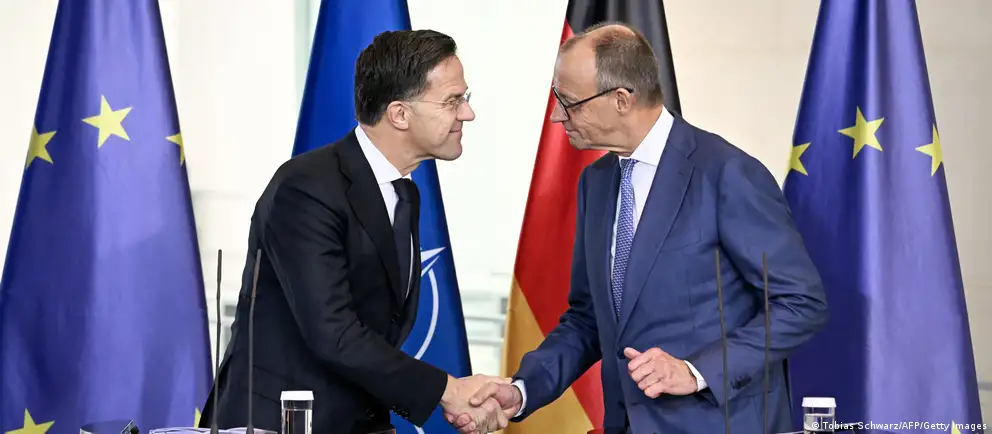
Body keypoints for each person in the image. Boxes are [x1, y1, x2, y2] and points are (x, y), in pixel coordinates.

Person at [449, 22, 830, 434]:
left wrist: (697, 371)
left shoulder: (727, 174)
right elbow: (588, 318)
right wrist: (522, 390)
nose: (557, 116)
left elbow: (801, 303)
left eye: (569, 102)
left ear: (621, 99)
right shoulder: (596, 182)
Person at [198, 29, 505, 434]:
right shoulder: (307, 187)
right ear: (399, 114)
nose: (467, 114)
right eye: (453, 101)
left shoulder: (405, 193)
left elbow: (382, 326)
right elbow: (332, 331)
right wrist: (449, 390)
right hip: (284, 422)